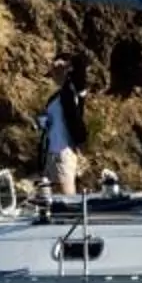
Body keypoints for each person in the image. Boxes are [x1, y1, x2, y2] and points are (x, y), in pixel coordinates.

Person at [37, 58, 91, 198]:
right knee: (53, 196)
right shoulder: (54, 98)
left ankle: (71, 217)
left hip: (63, 151)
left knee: (67, 196)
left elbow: (81, 72)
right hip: (51, 152)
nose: (54, 76)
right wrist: (43, 121)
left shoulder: (72, 91)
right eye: (53, 73)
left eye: (57, 72)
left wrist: (69, 64)